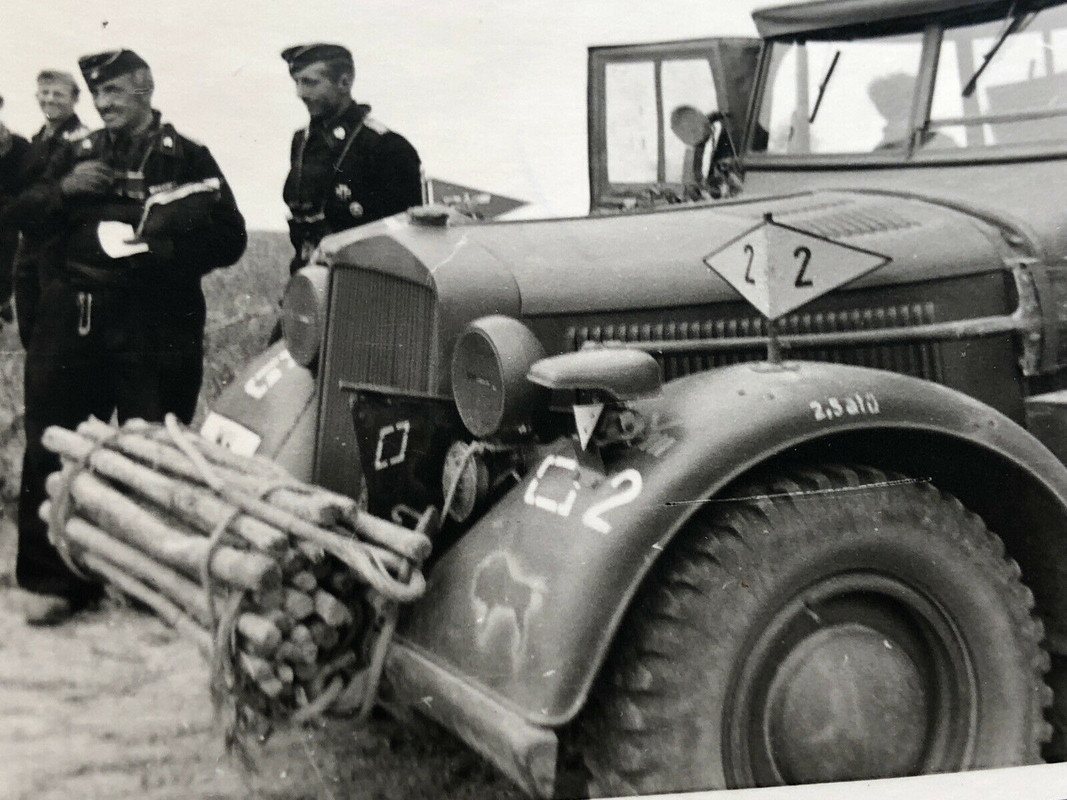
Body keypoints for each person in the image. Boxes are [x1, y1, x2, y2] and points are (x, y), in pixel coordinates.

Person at [9, 49, 247, 625]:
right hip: (76, 319)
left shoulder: (186, 156)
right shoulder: (73, 153)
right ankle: (55, 580)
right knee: (55, 443)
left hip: (155, 323)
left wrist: (163, 250)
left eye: (115, 92)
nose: (104, 104)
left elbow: (230, 239)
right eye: (98, 94)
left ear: (145, 90)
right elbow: (23, 215)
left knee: (156, 451)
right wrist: (66, 189)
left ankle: (152, 587)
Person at [281, 43, 422, 274]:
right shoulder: (302, 142)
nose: (300, 93)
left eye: (310, 82)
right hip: (309, 280)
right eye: (297, 82)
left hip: (365, 284)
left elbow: (405, 235)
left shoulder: (386, 146)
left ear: (344, 83)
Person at [10, 71, 90, 347]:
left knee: (57, 339)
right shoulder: (36, 140)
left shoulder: (83, 141)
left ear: (75, 98)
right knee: (30, 335)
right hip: (30, 248)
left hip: (61, 250)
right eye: (44, 93)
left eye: (58, 94)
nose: (50, 99)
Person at [0, 94, 30, 327]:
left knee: (6, 260)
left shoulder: (18, 145)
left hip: (6, 215)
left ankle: (2, 300)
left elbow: (28, 182)